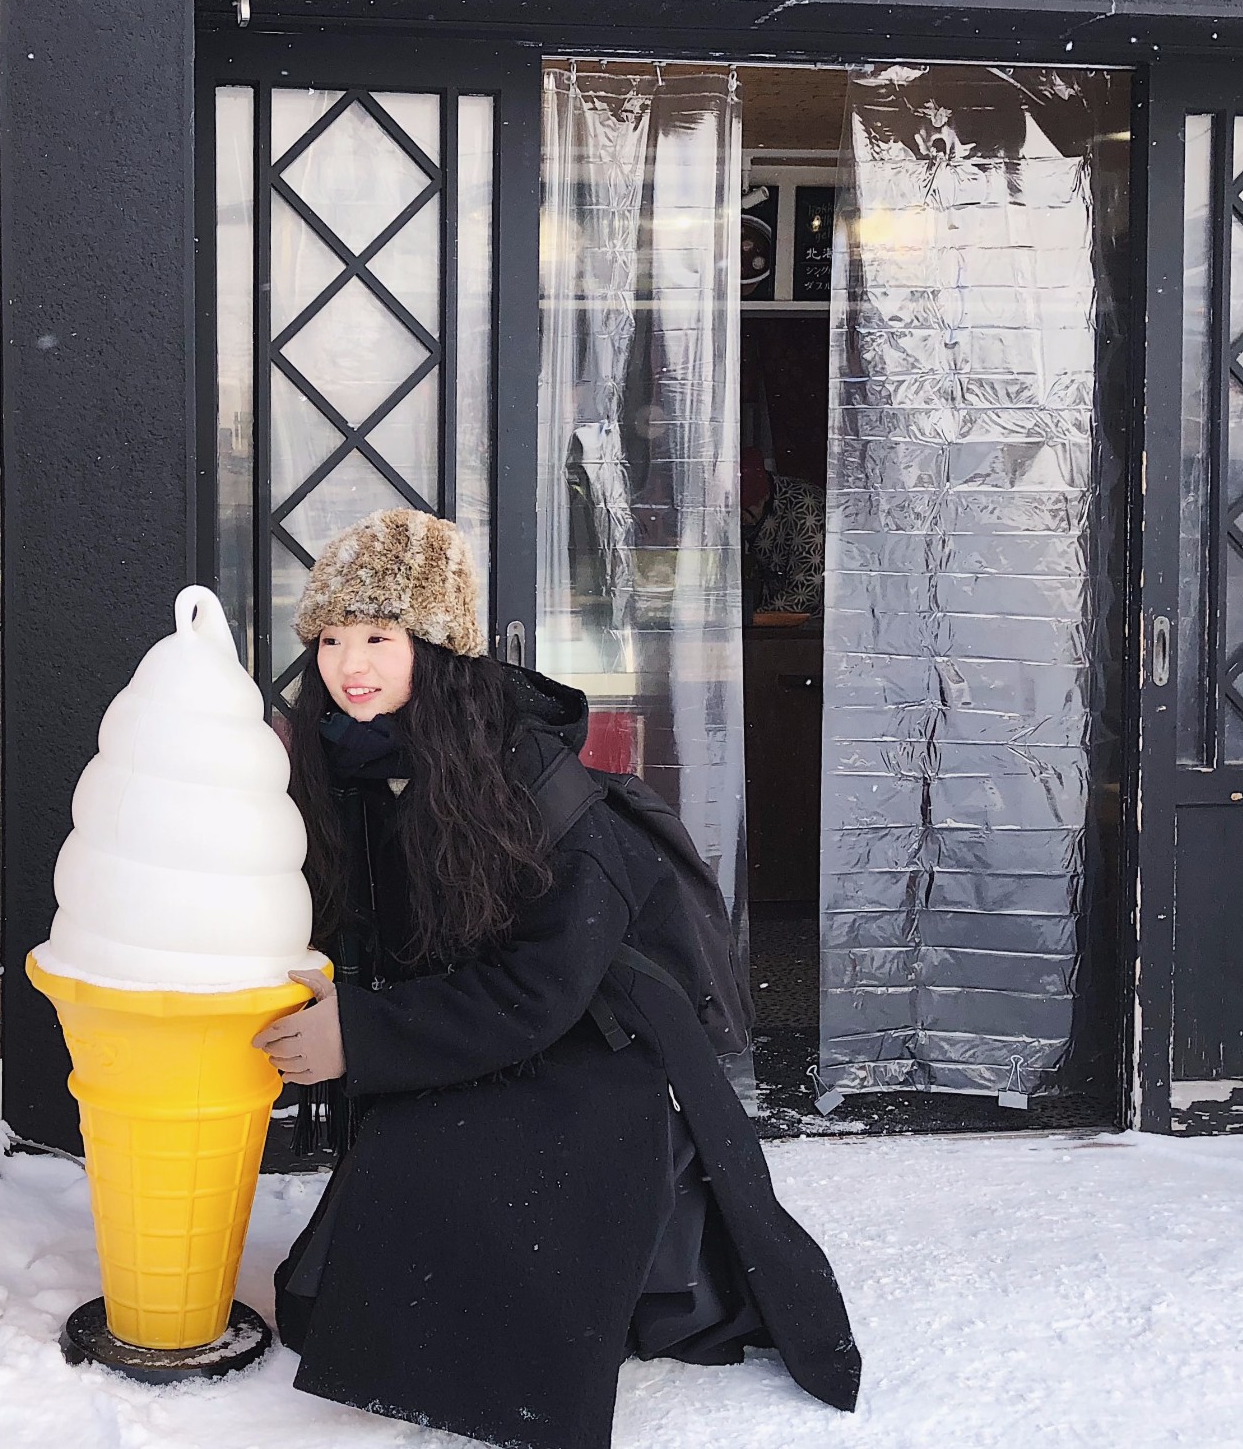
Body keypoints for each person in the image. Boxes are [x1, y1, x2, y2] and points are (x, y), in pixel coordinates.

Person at [253, 508, 861, 1449]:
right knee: (324, 1301)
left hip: (591, 1039)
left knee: (466, 1191)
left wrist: (365, 1035)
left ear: (437, 645)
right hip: (465, 1024)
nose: (349, 663)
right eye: (331, 639)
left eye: (378, 636)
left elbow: (546, 982)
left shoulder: (526, 775)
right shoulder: (346, 762)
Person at [740, 447, 828, 616]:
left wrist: (752, 620)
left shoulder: (805, 509)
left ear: (765, 497)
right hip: (776, 615)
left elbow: (805, 594)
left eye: (745, 510)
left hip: (816, 623)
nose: (740, 521)